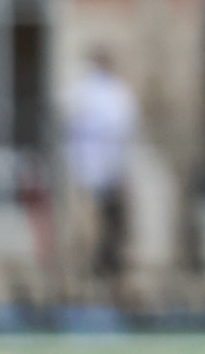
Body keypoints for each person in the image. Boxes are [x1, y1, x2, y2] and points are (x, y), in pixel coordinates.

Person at [64, 48, 136, 295]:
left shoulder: (103, 92)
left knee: (107, 231)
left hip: (99, 172)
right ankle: (91, 279)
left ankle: (102, 280)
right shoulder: (101, 92)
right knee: (93, 229)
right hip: (95, 172)